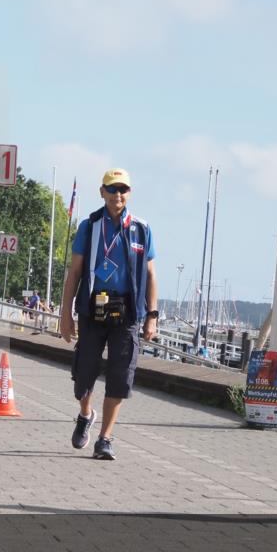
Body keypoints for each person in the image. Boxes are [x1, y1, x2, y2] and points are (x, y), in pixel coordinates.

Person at [59, 168, 158, 461]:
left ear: (129, 193)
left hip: (127, 313)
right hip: (94, 309)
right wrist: (66, 314)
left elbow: (151, 275)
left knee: (121, 375)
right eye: (112, 189)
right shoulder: (90, 227)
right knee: (83, 375)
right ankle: (85, 414)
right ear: (101, 192)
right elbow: (75, 272)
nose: (118, 195)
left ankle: (105, 438)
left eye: (123, 189)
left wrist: (151, 315)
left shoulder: (141, 228)